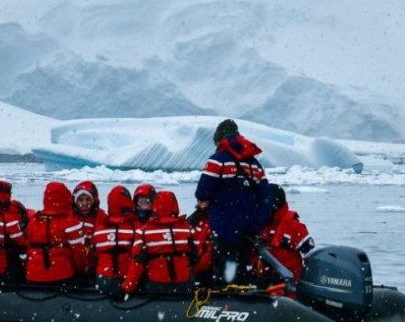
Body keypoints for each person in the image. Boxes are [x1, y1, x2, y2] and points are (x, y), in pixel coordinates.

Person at [194, 119, 272, 285]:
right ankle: (244, 301)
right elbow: (266, 197)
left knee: (223, 272)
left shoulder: (217, 160)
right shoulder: (255, 165)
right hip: (248, 229)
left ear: (220, 139)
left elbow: (202, 192)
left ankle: (224, 304)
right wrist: (257, 224)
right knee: (242, 269)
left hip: (223, 227)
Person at [122, 190, 207, 294]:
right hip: (185, 286)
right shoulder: (188, 229)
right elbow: (197, 259)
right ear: (175, 205)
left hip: (156, 286)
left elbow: (137, 264)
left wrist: (126, 288)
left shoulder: (143, 232)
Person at [19, 182, 85, 285]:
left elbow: (26, 247)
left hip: (33, 276)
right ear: (66, 198)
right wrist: (82, 271)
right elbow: (79, 255)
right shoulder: (71, 223)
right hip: (62, 276)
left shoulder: (34, 220)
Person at [253, 184, 314, 290]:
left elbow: (310, 256)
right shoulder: (262, 225)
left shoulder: (293, 227)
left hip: (287, 284)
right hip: (264, 281)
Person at [91, 185, 138, 295]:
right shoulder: (135, 228)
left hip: (103, 279)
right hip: (126, 280)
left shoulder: (99, 229)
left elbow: (93, 255)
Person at [69, 181, 106, 275]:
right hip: (73, 263)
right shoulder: (70, 216)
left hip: (94, 264)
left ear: (93, 200)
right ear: (75, 201)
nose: (84, 203)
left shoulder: (101, 216)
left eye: (88, 199)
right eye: (81, 200)